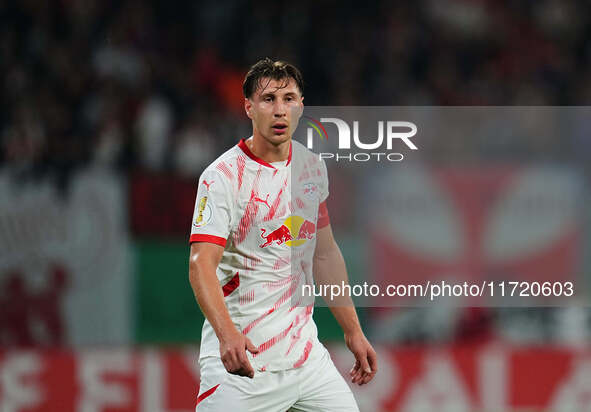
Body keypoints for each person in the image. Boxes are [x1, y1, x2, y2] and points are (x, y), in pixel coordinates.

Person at [188, 58, 377, 412]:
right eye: (268, 99)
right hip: (244, 362)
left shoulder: (311, 168)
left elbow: (325, 254)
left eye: (289, 99)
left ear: (301, 106)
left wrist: (353, 331)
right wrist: (227, 335)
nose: (279, 110)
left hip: (306, 361)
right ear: (248, 107)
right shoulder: (222, 177)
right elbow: (201, 264)